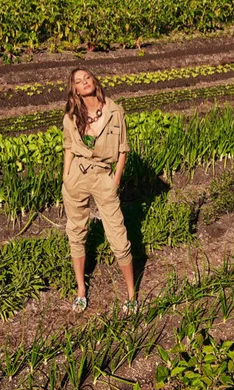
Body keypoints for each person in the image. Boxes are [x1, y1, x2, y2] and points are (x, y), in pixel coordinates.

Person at [61, 67, 136, 313]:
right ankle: (81, 290)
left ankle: (131, 294)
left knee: (118, 235)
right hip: (77, 177)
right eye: (78, 81)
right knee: (76, 231)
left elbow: (123, 149)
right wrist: (66, 178)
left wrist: (115, 180)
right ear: (75, 90)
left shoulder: (115, 111)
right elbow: (69, 147)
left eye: (87, 78)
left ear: (94, 80)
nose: (84, 82)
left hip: (104, 175)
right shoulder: (71, 116)